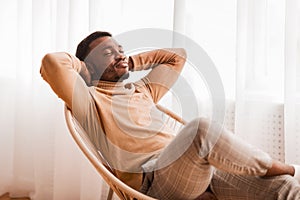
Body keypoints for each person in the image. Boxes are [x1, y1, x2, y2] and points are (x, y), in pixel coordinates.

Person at [40, 31, 300, 200]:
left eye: (119, 49)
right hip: (153, 183)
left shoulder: (142, 90)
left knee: (285, 189)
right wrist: (85, 69)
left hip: (191, 167)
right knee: (200, 130)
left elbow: (177, 57)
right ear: (89, 65)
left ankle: (285, 175)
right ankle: (287, 167)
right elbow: (51, 63)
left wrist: (128, 61)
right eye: (107, 52)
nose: (119, 53)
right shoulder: (89, 101)